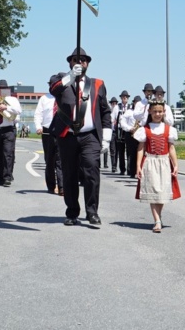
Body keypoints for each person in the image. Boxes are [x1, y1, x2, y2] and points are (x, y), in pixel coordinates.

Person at [49, 47, 112, 226]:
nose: (80, 63)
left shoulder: (98, 84)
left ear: (88, 64)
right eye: (76, 60)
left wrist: (106, 136)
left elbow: (105, 111)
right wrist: (70, 76)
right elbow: (54, 89)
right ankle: (72, 212)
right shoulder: (59, 79)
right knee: (69, 174)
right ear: (70, 62)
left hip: (90, 136)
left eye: (83, 60)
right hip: (67, 135)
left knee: (92, 171)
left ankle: (92, 212)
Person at [134, 100, 181, 233]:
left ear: (164, 112)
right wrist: (138, 166)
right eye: (155, 111)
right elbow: (140, 149)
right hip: (150, 162)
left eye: (160, 111)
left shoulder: (169, 129)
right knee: (153, 192)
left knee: (161, 193)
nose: (157, 114)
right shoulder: (145, 129)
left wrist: (176, 165)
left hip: (164, 162)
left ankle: (158, 217)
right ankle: (157, 220)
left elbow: (171, 148)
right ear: (149, 112)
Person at [35, 72, 64, 195]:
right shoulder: (44, 98)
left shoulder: (65, 97)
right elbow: (38, 114)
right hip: (47, 131)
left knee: (60, 160)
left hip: (62, 131)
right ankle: (51, 186)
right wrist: (38, 126)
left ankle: (62, 187)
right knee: (49, 160)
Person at [111, 90, 132, 176]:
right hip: (119, 130)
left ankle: (129, 169)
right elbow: (112, 117)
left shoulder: (130, 107)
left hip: (127, 131)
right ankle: (122, 169)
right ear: (121, 98)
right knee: (120, 151)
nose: (124, 98)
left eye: (126, 97)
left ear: (128, 98)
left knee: (129, 151)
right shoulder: (117, 107)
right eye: (123, 97)